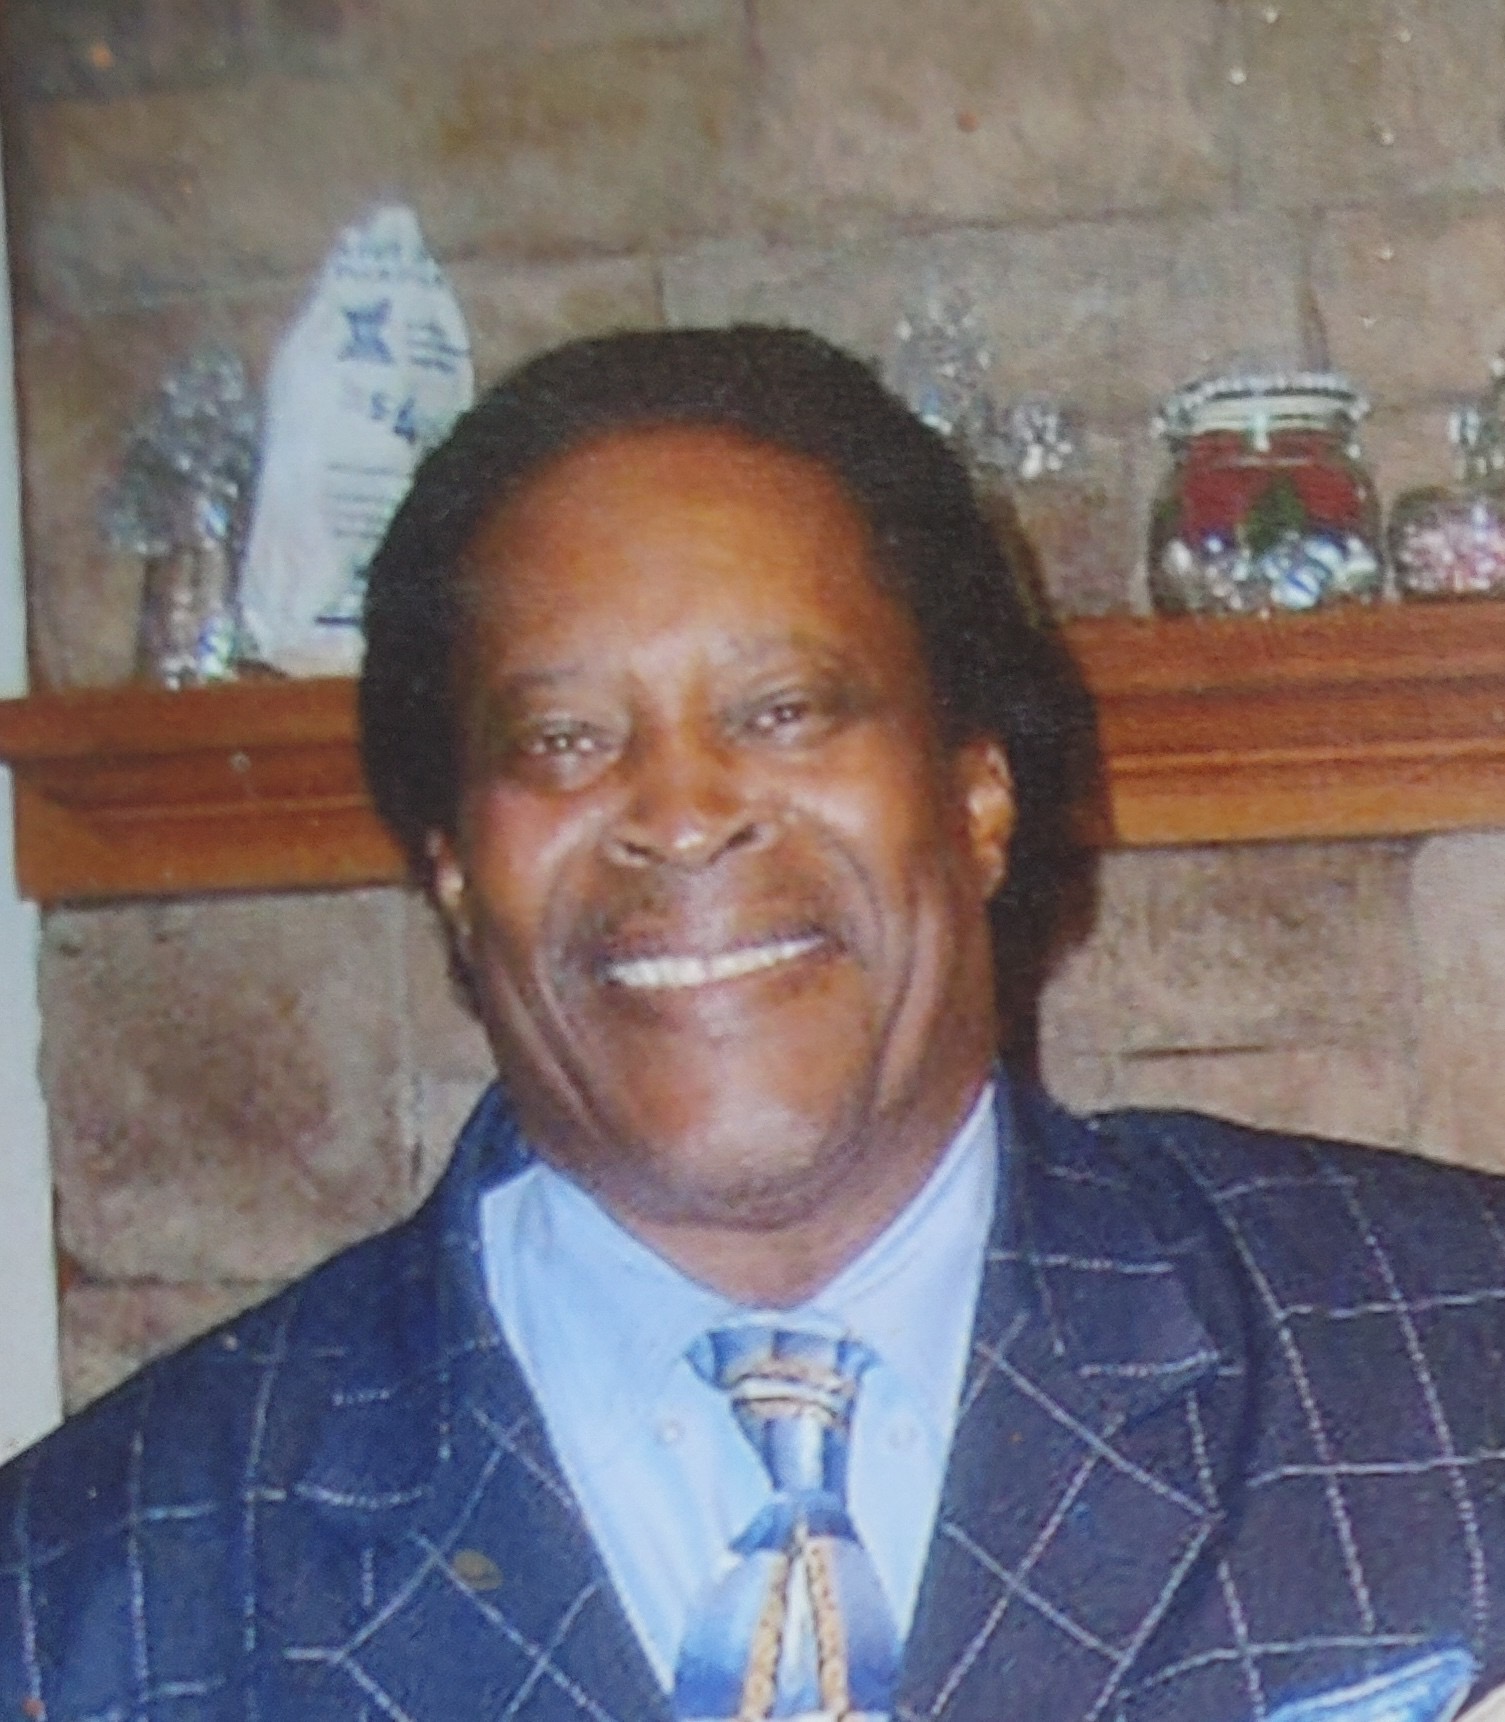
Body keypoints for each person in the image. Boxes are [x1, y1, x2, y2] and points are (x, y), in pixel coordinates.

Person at [4, 327, 1505, 1722]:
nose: (680, 813)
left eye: (785, 709)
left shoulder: (1458, 1360)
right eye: (563, 739)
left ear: (978, 796)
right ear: (454, 874)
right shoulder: (78, 1596)